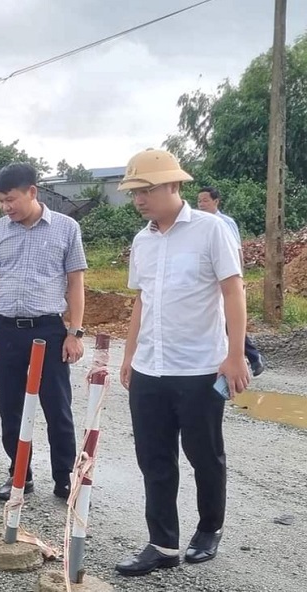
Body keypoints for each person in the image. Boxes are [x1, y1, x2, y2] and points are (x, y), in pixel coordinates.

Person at [114, 150, 251, 577]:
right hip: (150, 369)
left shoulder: (211, 231)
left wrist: (234, 355)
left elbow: (234, 291)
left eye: (148, 189)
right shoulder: (143, 240)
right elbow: (141, 301)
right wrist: (129, 355)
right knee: (154, 459)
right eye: (135, 192)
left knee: (204, 455)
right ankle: (162, 545)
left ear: (174, 185)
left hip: (199, 368)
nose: (140, 199)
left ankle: (209, 529)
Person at [0, 162, 87, 501]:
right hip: (6, 330)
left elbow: (75, 283)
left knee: (58, 408)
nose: (6, 207)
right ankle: (19, 473)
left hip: (49, 330)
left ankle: (65, 478)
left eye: (11, 199)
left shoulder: (66, 228)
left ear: (32, 192)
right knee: (10, 408)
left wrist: (75, 332)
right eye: (0, 201)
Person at [197, 186, 265, 376]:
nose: (201, 204)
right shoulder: (197, 224)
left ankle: (250, 356)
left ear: (216, 202)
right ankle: (247, 357)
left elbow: (237, 252)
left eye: (205, 200)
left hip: (226, 280)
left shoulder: (224, 223)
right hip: (207, 281)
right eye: (199, 201)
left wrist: (238, 279)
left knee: (228, 319)